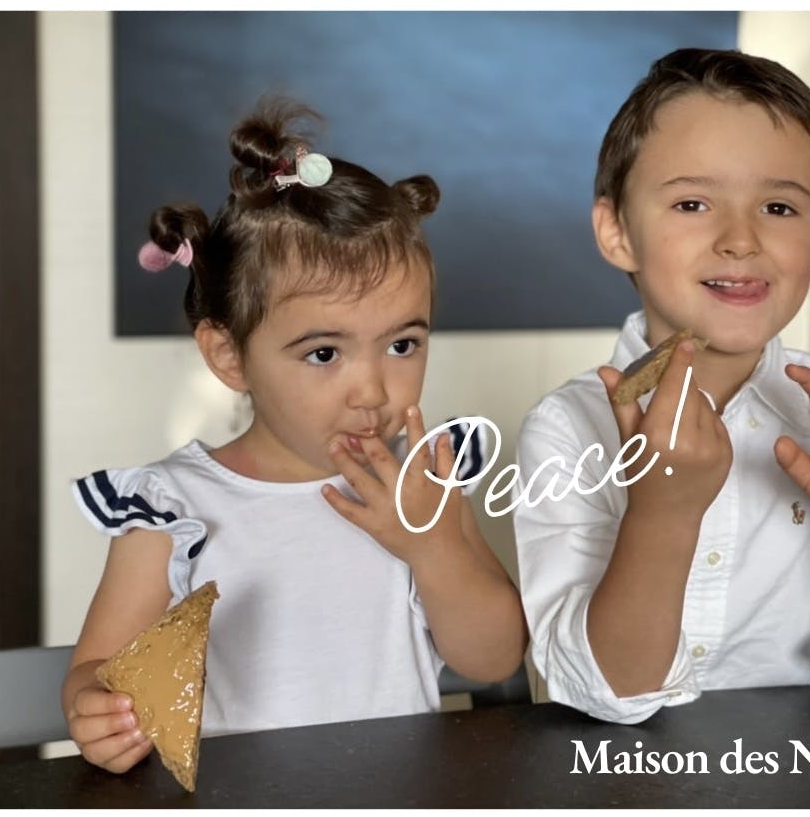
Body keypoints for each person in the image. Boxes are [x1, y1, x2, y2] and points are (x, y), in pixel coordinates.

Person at [62, 97, 528, 773]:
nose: (372, 391)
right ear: (229, 355)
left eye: (402, 345)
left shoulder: (423, 482)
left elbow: (495, 659)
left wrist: (433, 550)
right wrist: (97, 708)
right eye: (324, 353)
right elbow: (98, 667)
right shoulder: (172, 507)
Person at [513, 48, 810, 724]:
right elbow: (610, 694)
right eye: (692, 203)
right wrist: (663, 514)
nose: (740, 239)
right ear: (617, 233)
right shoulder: (567, 427)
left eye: (779, 207)